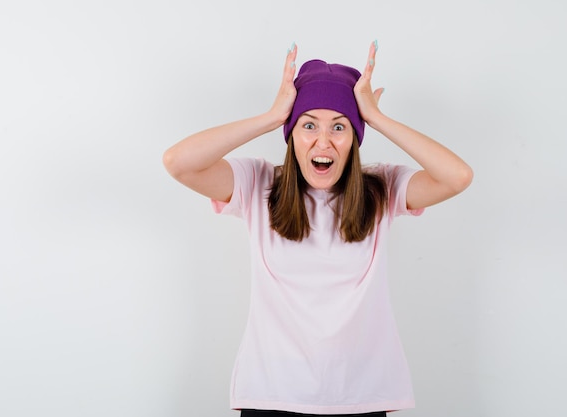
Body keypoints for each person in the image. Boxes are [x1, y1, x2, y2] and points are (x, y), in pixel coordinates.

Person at [163, 41, 473, 417]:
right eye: (308, 124)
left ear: (355, 139)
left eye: (339, 127)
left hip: (363, 397)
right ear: (291, 134)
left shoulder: (382, 188)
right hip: (272, 396)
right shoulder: (258, 183)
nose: (323, 141)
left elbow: (458, 177)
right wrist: (272, 116)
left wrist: (377, 119)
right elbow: (178, 162)